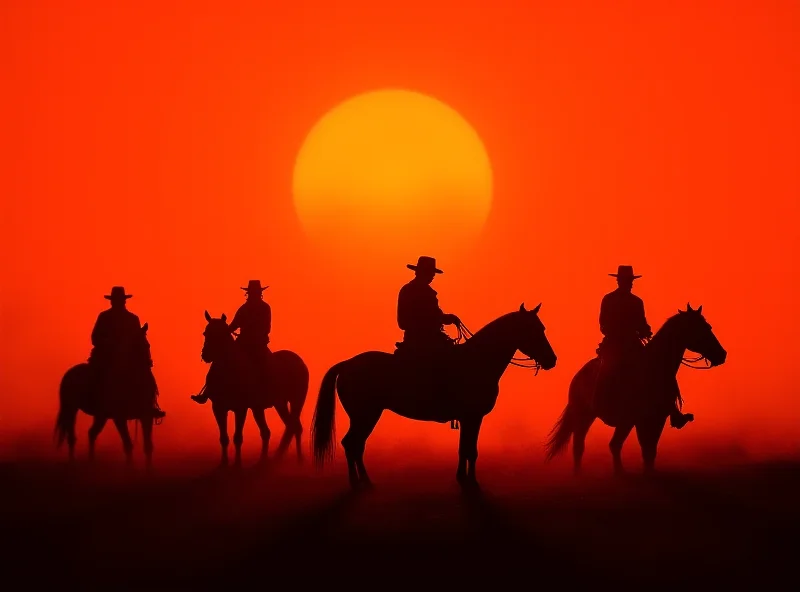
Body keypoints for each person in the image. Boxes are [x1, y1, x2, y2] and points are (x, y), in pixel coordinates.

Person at [595, 266, 692, 429]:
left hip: (633, 344)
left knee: (660, 370)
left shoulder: (637, 301)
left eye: (630, 281)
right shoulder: (608, 300)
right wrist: (621, 331)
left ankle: (673, 412)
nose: (629, 284)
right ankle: (600, 402)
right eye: (627, 280)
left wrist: (646, 330)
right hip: (613, 344)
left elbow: (642, 322)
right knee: (608, 370)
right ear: (619, 281)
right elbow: (603, 325)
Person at [89, 286, 166, 419]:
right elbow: (95, 337)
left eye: (119, 300)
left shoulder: (132, 319)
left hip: (128, 356)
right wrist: (110, 343)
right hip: (107, 356)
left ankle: (150, 405)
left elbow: (138, 340)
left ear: (123, 301)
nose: (117, 302)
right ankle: (95, 400)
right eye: (115, 300)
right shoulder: (104, 317)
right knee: (97, 375)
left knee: (147, 377)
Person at [192, 280, 271, 405]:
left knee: (266, 363)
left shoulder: (265, 308)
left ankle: (268, 391)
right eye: (250, 293)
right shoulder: (243, 309)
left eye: (254, 293)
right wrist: (224, 331)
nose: (252, 295)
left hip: (258, 344)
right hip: (243, 342)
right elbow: (234, 325)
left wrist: (253, 334)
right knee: (220, 360)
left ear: (259, 293)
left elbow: (267, 328)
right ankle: (207, 391)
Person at [396, 256, 461, 355]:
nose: (433, 276)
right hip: (420, 342)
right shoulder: (412, 291)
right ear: (421, 273)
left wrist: (447, 318)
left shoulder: (419, 291)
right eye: (430, 273)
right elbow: (404, 322)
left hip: (425, 339)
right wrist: (444, 319)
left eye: (433, 273)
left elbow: (436, 315)